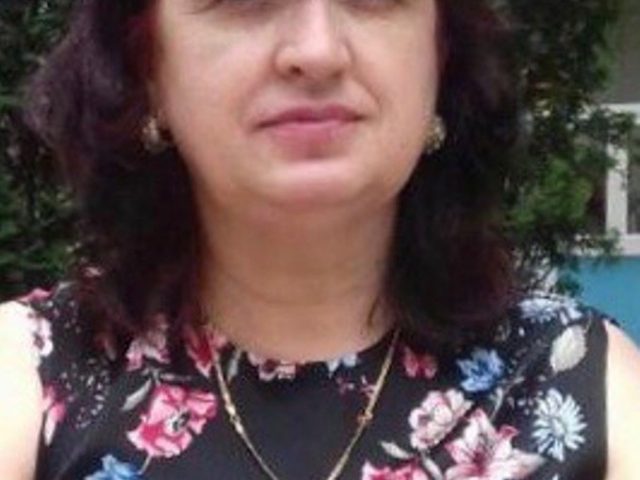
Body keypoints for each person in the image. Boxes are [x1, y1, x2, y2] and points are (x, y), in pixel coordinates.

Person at [1, 0, 639, 478]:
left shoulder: (576, 386)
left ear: (440, 55)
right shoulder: (28, 379)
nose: (317, 50)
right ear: (146, 66)